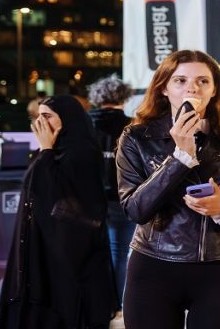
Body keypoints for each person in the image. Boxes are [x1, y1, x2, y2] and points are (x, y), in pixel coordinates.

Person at [116, 49, 220, 329]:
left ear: (214, 90)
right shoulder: (137, 137)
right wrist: (180, 159)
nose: (192, 88)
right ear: (164, 88)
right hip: (153, 268)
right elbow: (135, 210)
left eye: (202, 81)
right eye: (180, 80)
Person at [0, 95, 118, 328]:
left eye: (48, 116)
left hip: (69, 252)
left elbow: (55, 195)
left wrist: (46, 151)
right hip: (44, 243)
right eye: (38, 116)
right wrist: (46, 152)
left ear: (68, 119)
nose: (40, 123)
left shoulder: (81, 152)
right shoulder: (52, 151)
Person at [86, 73, 134, 313]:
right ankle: (115, 304)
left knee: (90, 252)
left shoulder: (84, 125)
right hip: (122, 198)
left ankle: (93, 301)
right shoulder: (132, 126)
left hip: (89, 198)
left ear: (96, 98)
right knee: (119, 253)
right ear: (124, 98)